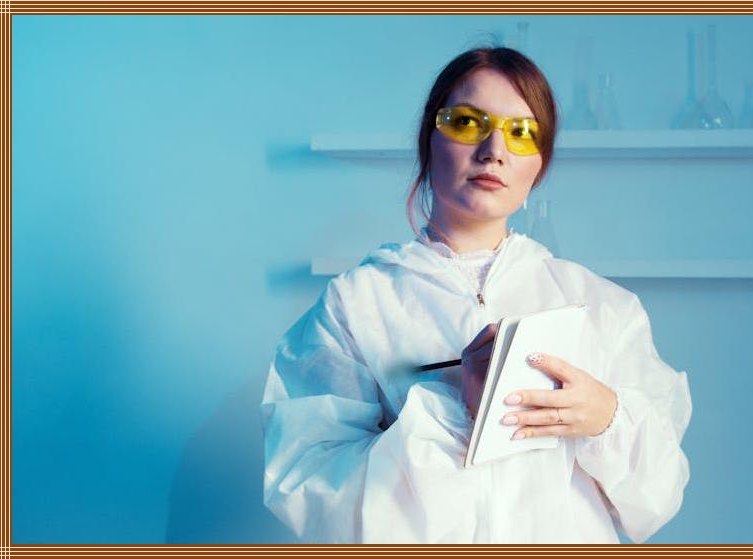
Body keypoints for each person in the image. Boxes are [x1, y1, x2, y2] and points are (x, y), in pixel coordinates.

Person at [260, 46, 692, 544]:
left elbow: (657, 497)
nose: (494, 150)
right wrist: (455, 414)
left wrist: (606, 420)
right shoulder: (356, 305)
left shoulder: (603, 306)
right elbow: (311, 493)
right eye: (467, 122)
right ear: (428, 142)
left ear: (540, 165)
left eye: (521, 132)